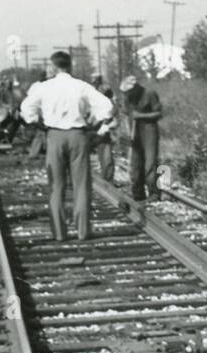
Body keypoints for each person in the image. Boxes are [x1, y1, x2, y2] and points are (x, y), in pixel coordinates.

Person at [19, 51, 116, 241]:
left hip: (54, 135)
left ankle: (59, 233)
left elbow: (26, 109)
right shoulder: (82, 86)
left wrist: (36, 121)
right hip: (78, 135)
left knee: (56, 186)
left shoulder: (43, 87)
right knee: (81, 185)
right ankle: (83, 231)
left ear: (53, 67)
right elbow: (107, 107)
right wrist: (94, 125)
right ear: (70, 66)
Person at [120, 74, 163, 202]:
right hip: (135, 129)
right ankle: (138, 195)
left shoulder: (149, 93)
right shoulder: (127, 96)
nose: (127, 94)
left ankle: (154, 194)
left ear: (136, 87)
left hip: (149, 129)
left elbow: (159, 113)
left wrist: (141, 116)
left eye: (129, 91)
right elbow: (126, 112)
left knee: (150, 163)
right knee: (135, 164)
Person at [91, 74, 116, 184]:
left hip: (104, 124)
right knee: (102, 153)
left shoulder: (105, 90)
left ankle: (108, 179)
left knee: (106, 155)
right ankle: (105, 177)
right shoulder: (91, 91)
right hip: (94, 124)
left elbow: (113, 114)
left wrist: (106, 125)